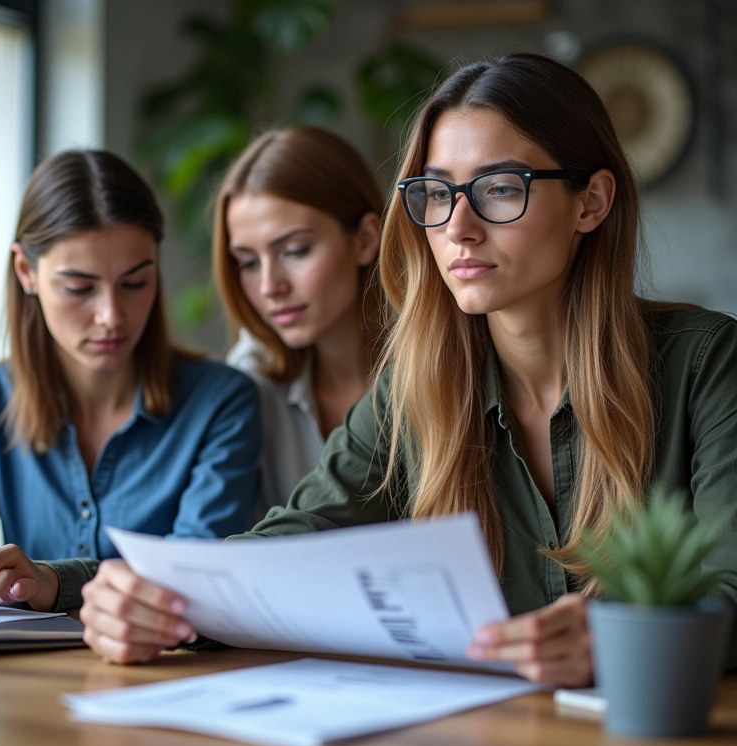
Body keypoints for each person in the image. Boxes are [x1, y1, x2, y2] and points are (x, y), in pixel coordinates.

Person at [80, 53, 737, 683]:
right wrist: (141, 597)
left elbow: (729, 587)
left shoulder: (705, 365)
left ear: (591, 203)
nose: (460, 228)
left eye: (501, 188)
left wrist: (618, 634)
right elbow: (289, 543)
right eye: (437, 194)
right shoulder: (416, 386)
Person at [0, 150, 261, 615]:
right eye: (79, 288)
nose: (111, 316)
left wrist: (53, 582)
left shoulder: (221, 402)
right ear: (26, 271)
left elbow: (191, 582)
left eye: (135, 282)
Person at [214, 125, 384, 515]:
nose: (270, 286)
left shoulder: (444, 365)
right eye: (249, 263)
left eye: (294, 251)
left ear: (364, 239)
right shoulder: (251, 380)